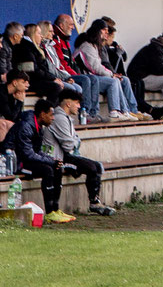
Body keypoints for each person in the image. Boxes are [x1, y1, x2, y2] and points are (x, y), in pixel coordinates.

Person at [40, 87, 114, 216]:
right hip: (56, 158)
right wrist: (74, 142)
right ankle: (93, 203)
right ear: (68, 104)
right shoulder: (59, 118)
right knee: (91, 167)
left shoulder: (66, 118)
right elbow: (69, 145)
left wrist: (74, 142)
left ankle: (95, 201)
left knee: (97, 166)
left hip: (65, 156)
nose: (79, 106)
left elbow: (75, 141)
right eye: (77, 103)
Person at [8, 97, 78, 223]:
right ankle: (49, 212)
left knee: (57, 168)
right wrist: (50, 161)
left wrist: (53, 160)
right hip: (17, 163)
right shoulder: (26, 126)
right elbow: (28, 154)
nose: (53, 118)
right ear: (42, 114)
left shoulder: (38, 126)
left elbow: (37, 151)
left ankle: (55, 210)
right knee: (47, 170)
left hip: (27, 159)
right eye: (51, 115)